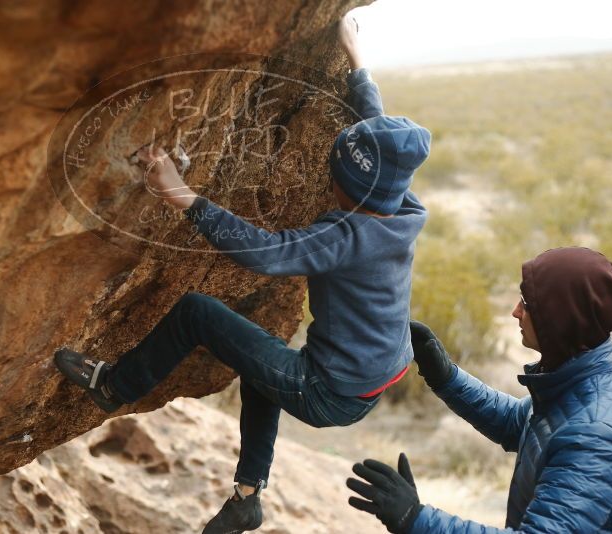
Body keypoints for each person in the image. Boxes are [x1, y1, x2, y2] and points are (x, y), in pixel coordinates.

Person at [55, 9, 431, 533]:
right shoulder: (400, 205)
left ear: (355, 188)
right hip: (371, 375)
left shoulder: (348, 236)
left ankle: (115, 385)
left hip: (332, 391)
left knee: (196, 313)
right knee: (263, 362)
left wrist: (183, 195)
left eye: (336, 173)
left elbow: (266, 253)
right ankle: (247, 497)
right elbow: (378, 135)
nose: (330, 179)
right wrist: (357, 59)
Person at [346, 246, 612, 533]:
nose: (516, 311)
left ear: (561, 320)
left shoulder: (594, 437)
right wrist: (445, 377)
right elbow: (520, 423)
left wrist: (416, 520)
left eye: (527, 304)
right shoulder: (578, 384)